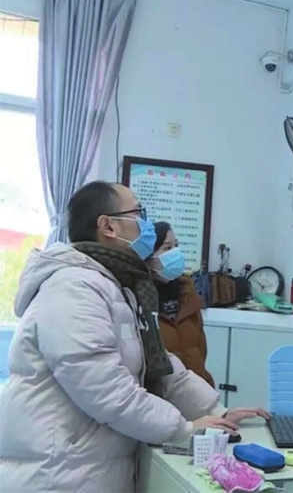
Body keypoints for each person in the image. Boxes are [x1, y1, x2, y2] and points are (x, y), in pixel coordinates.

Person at [0, 181, 267, 492]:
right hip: (57, 474)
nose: (146, 225)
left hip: (82, 467)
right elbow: (105, 389)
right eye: (139, 213)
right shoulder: (74, 287)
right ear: (108, 226)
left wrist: (216, 413)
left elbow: (159, 365)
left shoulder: (117, 286)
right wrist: (183, 429)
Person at [148, 221, 215, 386]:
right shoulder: (141, 300)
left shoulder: (188, 297)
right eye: (167, 248)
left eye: (176, 246)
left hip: (198, 388)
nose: (175, 253)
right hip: (162, 394)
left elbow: (199, 349)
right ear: (148, 257)